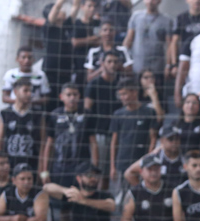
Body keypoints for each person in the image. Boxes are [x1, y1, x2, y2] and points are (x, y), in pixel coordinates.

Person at [41, 83, 97, 187]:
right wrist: (45, 171)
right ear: (61, 97)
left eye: (75, 95)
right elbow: (49, 144)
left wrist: (95, 168)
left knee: (79, 198)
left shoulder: (87, 114)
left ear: (79, 96)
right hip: (59, 167)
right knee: (59, 198)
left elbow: (93, 143)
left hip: (82, 167)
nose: (72, 98)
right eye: (69, 94)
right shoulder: (54, 115)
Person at [109, 78, 158, 186]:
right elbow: (114, 141)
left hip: (141, 162)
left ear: (135, 92)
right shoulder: (118, 114)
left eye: (125, 94)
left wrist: (147, 160)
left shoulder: (149, 112)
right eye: (120, 95)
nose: (122, 97)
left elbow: (153, 138)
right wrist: (112, 166)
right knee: (122, 198)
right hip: (123, 161)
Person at [84, 50, 122, 181]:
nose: (112, 65)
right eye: (109, 61)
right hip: (99, 132)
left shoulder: (121, 84)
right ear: (102, 63)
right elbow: (86, 110)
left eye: (115, 62)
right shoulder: (94, 84)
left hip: (118, 134)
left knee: (112, 173)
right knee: (97, 170)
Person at [123, 0, 174, 83]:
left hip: (157, 66)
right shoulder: (136, 16)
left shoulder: (167, 20)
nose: (150, 1)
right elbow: (128, 40)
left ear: (159, 1)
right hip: (138, 65)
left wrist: (168, 65)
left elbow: (169, 45)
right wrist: (125, 60)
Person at [43, 162, 115, 221]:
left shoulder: (104, 195)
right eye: (89, 175)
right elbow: (46, 188)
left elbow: (111, 206)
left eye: (95, 175)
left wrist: (84, 201)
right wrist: (65, 191)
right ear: (79, 178)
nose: (93, 178)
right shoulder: (74, 195)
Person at [0, 78, 46, 171]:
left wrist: (41, 168)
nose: (29, 94)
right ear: (15, 92)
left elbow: (43, 143)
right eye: (25, 90)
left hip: (31, 163)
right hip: (10, 163)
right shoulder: (5, 114)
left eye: (31, 91)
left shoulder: (38, 114)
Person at [120, 154, 175, 221]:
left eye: (156, 169)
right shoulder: (134, 193)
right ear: (141, 171)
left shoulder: (172, 190)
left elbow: (182, 219)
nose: (153, 172)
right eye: (149, 169)